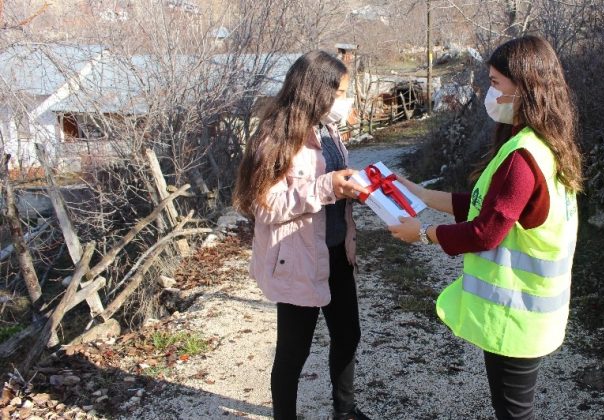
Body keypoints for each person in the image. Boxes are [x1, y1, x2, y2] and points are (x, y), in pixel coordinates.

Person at [389, 36, 582, 420]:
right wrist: (422, 194)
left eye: (495, 84)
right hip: (532, 312)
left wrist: (423, 234)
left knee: (513, 412)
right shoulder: (541, 144)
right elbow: (484, 207)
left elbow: (485, 231)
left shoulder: (523, 157)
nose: (488, 93)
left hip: (518, 314)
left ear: (525, 88)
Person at [233, 50, 372, 420]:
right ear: (315, 90)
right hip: (296, 259)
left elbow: (331, 183)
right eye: (340, 92)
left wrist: (353, 187)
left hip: (338, 252)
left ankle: (345, 411)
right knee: (293, 352)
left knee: (348, 335)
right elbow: (264, 206)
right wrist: (327, 187)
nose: (345, 100)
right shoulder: (275, 137)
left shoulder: (328, 128)